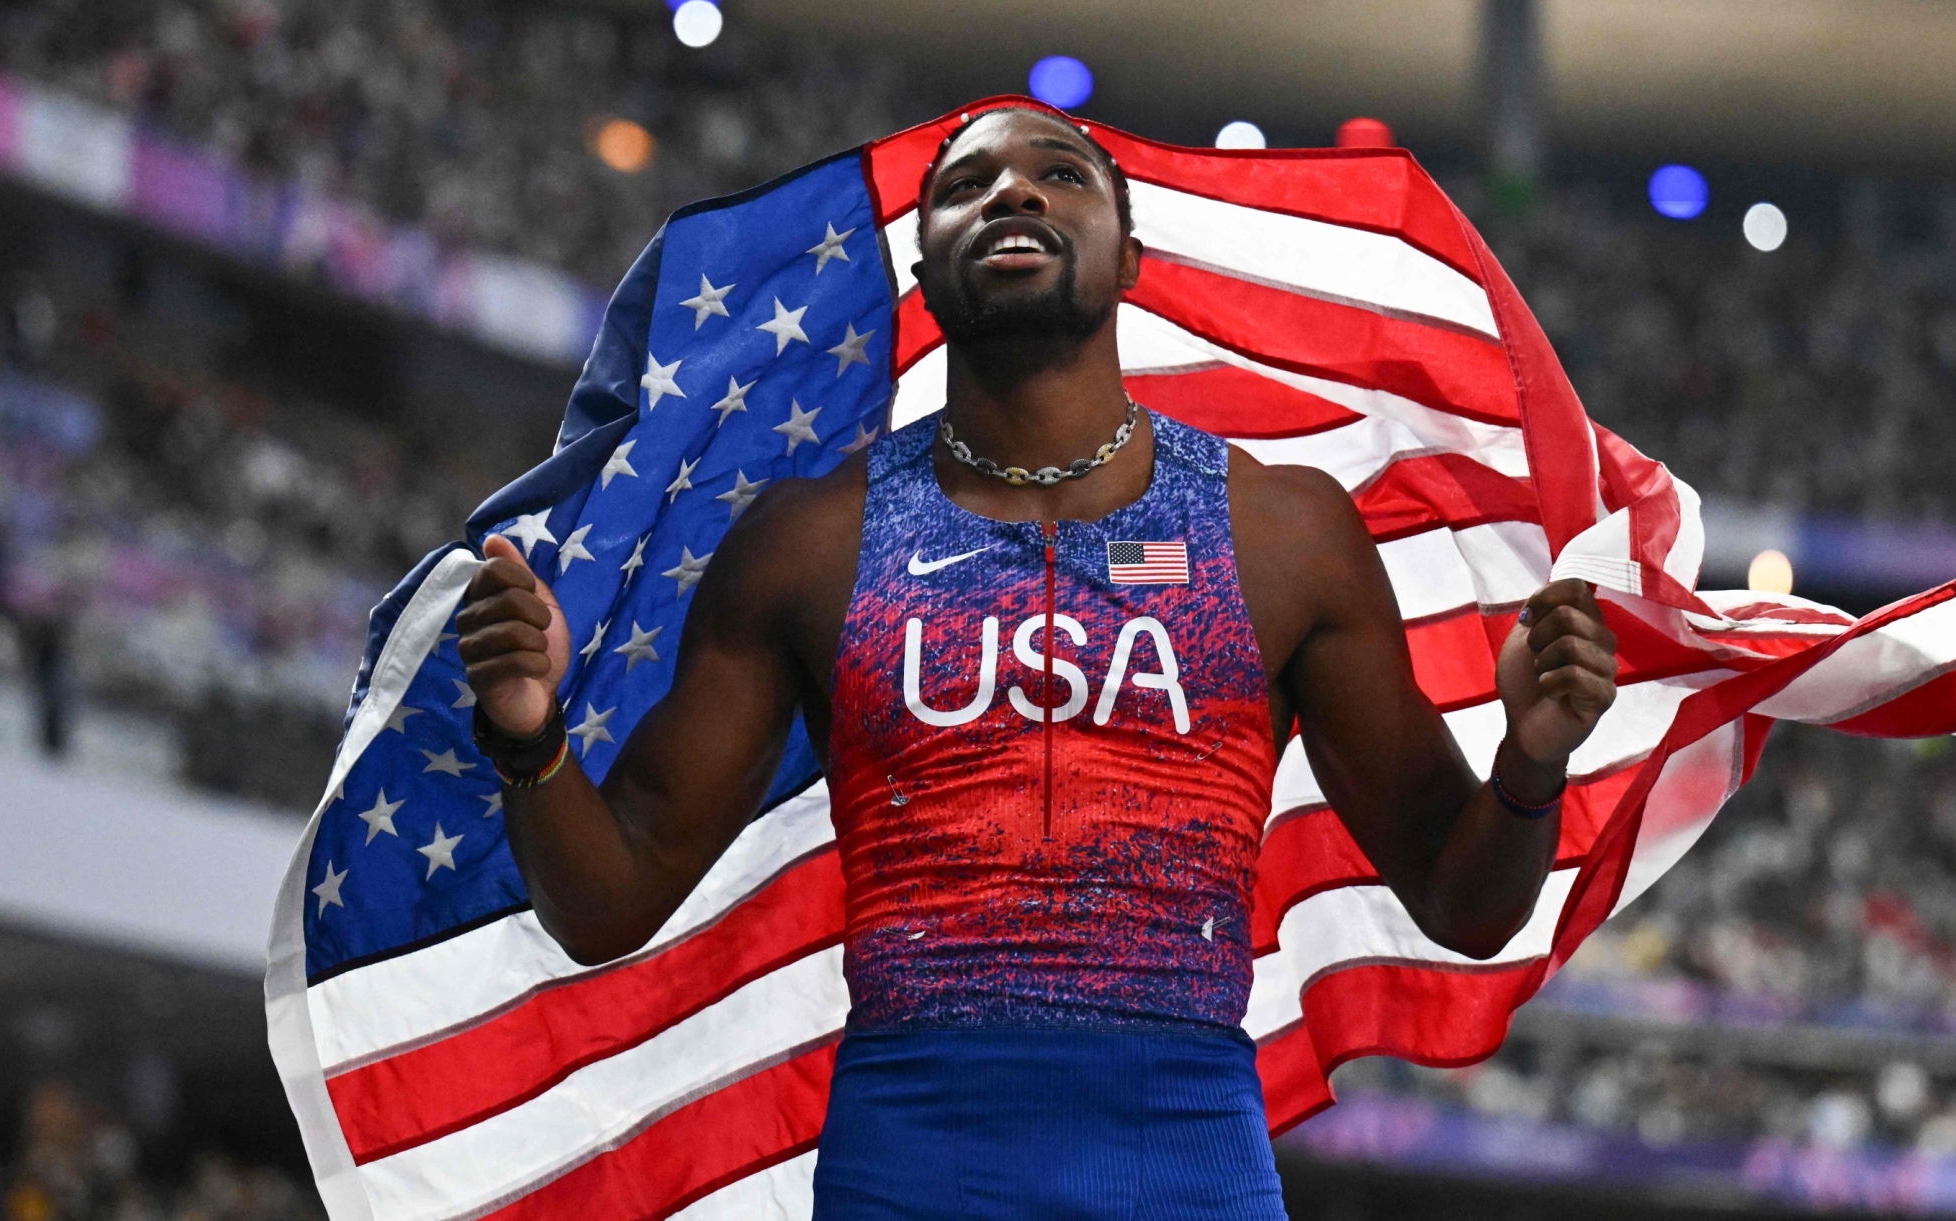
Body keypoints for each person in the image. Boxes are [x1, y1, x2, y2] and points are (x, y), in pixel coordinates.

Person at [457, 106, 1619, 1220]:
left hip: (1187, 1164)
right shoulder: (807, 543)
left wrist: (1530, 758)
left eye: (1060, 174)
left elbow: (1466, 904)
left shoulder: (1284, 536)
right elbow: (610, 900)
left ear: (1130, 261)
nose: (1013, 191)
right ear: (925, 271)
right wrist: (526, 732)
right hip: (911, 1168)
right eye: (966, 186)